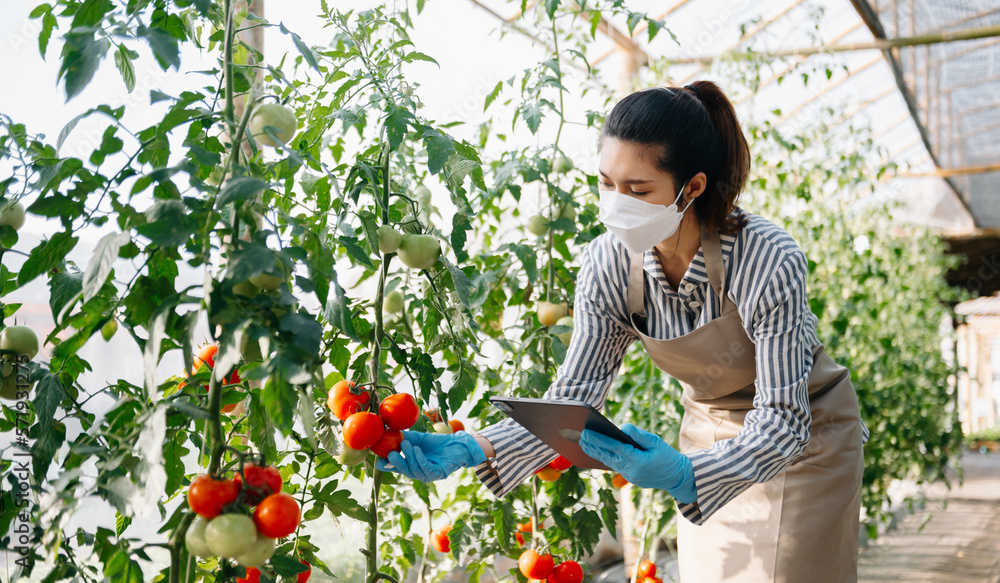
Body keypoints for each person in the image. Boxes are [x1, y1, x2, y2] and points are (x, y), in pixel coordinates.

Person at [377, 81, 867, 582]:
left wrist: (686, 475)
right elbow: (576, 394)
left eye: (637, 190)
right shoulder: (608, 263)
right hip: (707, 432)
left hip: (807, 441)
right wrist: (478, 446)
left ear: (692, 187)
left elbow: (784, 420)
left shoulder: (765, 256)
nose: (614, 204)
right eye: (606, 183)